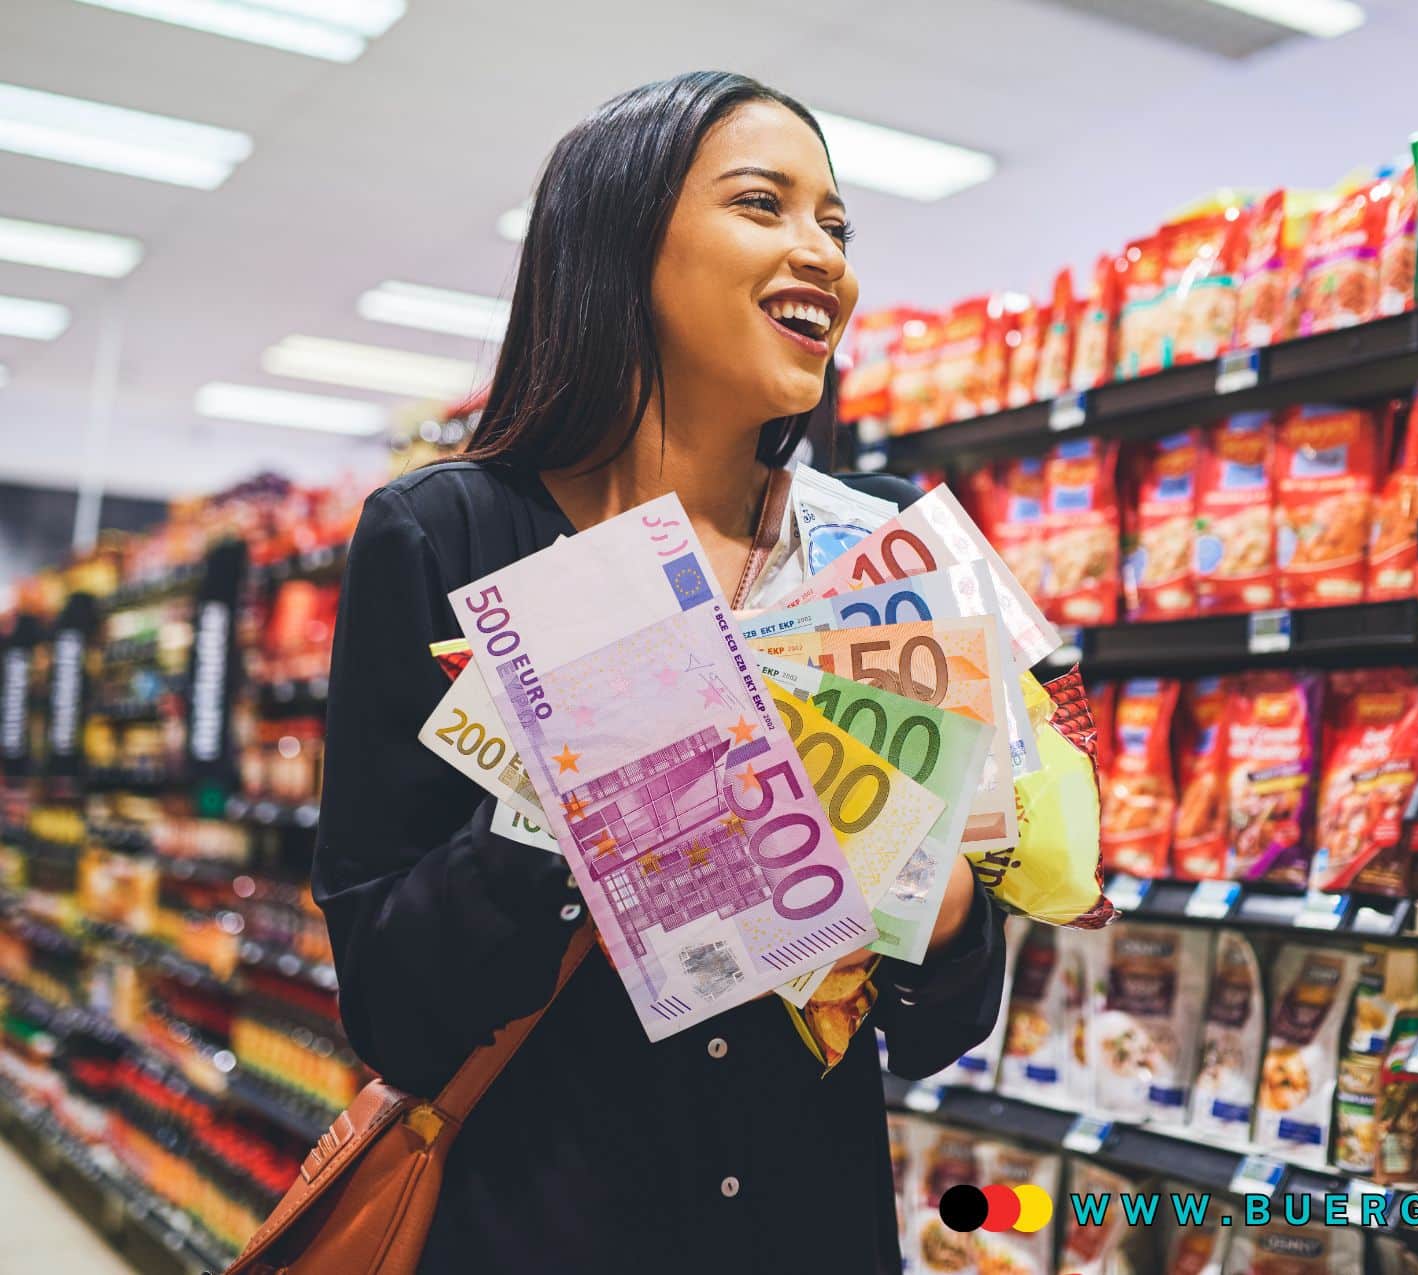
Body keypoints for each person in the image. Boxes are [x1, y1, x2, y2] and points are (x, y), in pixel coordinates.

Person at [312, 71, 1007, 1273]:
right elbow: (392, 1007)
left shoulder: (877, 543)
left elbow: (944, 1023)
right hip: (543, 1228)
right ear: (626, 243)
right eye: (764, 205)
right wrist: (585, 785)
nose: (822, 254)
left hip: (810, 1228)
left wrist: (945, 912)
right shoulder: (449, 534)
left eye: (836, 226)